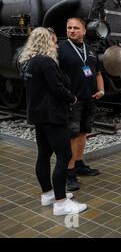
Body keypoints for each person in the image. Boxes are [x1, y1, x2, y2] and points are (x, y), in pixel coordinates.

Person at [19, 27, 87, 216]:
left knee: (44, 154)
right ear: (46, 42)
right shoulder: (47, 62)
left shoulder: (27, 63)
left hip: (38, 116)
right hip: (53, 116)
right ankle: (61, 203)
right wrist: (72, 98)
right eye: (54, 41)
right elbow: (57, 88)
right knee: (64, 156)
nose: (57, 45)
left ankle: (48, 194)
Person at [58, 18, 104, 191]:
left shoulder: (90, 51)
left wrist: (101, 90)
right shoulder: (61, 50)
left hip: (89, 99)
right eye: (69, 27)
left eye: (76, 28)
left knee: (84, 132)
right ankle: (69, 173)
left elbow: (98, 73)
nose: (71, 31)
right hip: (72, 101)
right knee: (72, 136)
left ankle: (79, 163)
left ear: (84, 31)